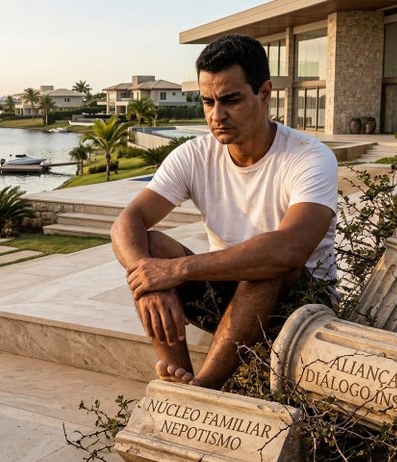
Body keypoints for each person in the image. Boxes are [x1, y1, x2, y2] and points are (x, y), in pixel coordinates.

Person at [110, 34, 338, 390]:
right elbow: (128, 222)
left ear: (264, 93)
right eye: (207, 102)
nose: (216, 115)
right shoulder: (195, 154)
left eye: (230, 100)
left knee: (266, 262)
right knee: (148, 248)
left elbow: (290, 249)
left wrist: (176, 270)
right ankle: (178, 379)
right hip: (229, 300)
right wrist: (150, 282)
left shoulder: (309, 157)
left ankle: (205, 389)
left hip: (300, 305)